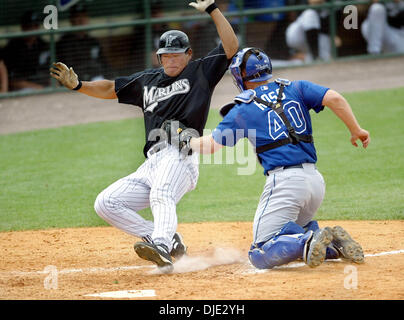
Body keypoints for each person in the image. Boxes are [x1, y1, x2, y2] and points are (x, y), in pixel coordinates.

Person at [50, 0, 239, 272]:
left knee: (161, 193)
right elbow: (109, 89)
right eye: (166, 55)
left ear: (188, 54)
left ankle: (160, 245)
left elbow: (231, 47)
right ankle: (164, 237)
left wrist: (212, 10)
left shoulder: (201, 72)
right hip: (151, 162)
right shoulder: (146, 80)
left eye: (177, 55)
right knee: (106, 203)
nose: (171, 60)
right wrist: (79, 85)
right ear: (159, 56)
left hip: (180, 154)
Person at [180, 47, 368, 269]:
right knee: (287, 236)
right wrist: (356, 130)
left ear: (241, 76)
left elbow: (211, 146)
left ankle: (308, 239)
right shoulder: (296, 87)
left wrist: (185, 139)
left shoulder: (243, 108)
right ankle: (330, 245)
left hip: (285, 184)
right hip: (315, 181)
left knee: (260, 250)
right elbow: (334, 98)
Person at [56, 4, 109, 81]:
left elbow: (104, 64)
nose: (81, 20)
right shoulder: (64, 43)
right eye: (77, 17)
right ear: (71, 20)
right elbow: (67, 68)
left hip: (95, 78)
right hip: (75, 82)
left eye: (83, 16)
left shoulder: (93, 41)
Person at [2, 11, 50, 91]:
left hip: (42, 86)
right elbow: (11, 81)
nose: (33, 29)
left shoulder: (43, 45)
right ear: (23, 27)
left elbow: (52, 73)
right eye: (29, 26)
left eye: (35, 26)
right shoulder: (13, 47)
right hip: (22, 89)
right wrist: (36, 87)